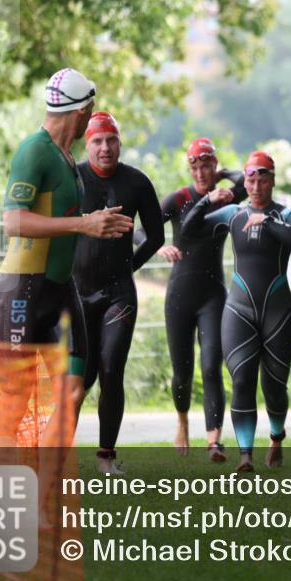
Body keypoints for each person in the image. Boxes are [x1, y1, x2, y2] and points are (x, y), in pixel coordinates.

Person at [0, 68, 133, 509]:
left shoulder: (65, 155)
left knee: (71, 391)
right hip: (21, 292)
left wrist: (93, 230)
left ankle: (41, 500)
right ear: (84, 111)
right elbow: (13, 221)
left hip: (58, 291)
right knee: (16, 402)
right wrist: (84, 224)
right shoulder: (35, 152)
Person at [184, 151, 291, 472]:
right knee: (241, 381)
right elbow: (189, 228)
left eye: (262, 179)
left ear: (272, 180)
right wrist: (207, 199)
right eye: (250, 179)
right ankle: (245, 456)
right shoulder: (232, 214)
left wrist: (267, 220)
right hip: (238, 310)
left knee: (274, 386)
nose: (255, 186)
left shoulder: (288, 214)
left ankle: (277, 436)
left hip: (278, 312)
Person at [73, 111, 163, 475]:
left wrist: (130, 267)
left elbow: (155, 236)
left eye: (111, 140)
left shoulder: (137, 182)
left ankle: (106, 457)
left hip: (117, 295)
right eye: (97, 141)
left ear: (120, 143)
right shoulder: (73, 178)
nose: (105, 148)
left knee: (111, 369)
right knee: (79, 376)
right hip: (78, 294)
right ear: (87, 144)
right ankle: (59, 457)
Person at [153, 138, 246, 460]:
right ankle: (181, 422)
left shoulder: (226, 196)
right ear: (189, 168)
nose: (201, 172)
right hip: (179, 294)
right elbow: (143, 228)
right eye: (195, 166)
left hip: (213, 294)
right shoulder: (180, 198)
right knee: (182, 371)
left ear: (214, 165)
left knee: (211, 367)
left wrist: (223, 175)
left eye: (207, 166)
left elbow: (246, 181)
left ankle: (214, 442)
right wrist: (157, 246)